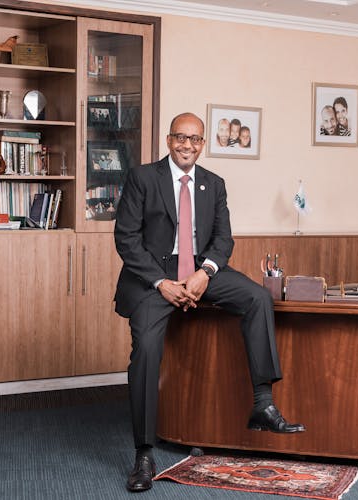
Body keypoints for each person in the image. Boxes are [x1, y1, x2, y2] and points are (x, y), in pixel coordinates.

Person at [114, 112, 305, 493]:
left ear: (202, 144)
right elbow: (126, 239)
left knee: (256, 297)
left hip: (201, 269)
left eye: (195, 139)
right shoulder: (143, 178)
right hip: (154, 275)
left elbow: (223, 240)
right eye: (180, 138)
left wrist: (206, 273)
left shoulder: (213, 184)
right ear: (169, 141)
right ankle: (144, 453)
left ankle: (263, 404)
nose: (187, 145)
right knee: (148, 349)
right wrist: (161, 282)